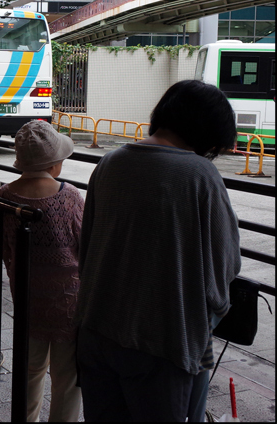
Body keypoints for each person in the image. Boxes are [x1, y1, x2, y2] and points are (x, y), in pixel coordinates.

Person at [75, 80, 241, 422]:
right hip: (162, 343)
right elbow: (225, 264)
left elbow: (86, 246)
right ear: (206, 132)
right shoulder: (200, 175)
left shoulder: (109, 163)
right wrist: (209, 317)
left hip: (96, 332)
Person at [0, 120, 83, 422]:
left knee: (30, 370)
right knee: (67, 378)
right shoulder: (69, 195)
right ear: (54, 164)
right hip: (67, 304)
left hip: (27, 298)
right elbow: (84, 245)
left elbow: (7, 247)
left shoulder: (6, 194)